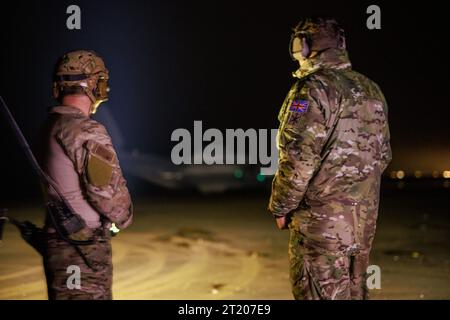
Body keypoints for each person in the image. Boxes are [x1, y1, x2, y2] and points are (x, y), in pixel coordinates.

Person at [268, 18, 392, 300]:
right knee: (354, 292)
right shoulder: (371, 90)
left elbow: (299, 158)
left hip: (321, 226)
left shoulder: (311, 89)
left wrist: (281, 206)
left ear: (306, 47)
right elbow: (383, 156)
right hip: (362, 223)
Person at [39, 50, 133, 299]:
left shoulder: (51, 126)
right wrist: (124, 216)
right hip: (83, 247)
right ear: (97, 86)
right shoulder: (85, 130)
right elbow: (107, 195)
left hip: (57, 243)